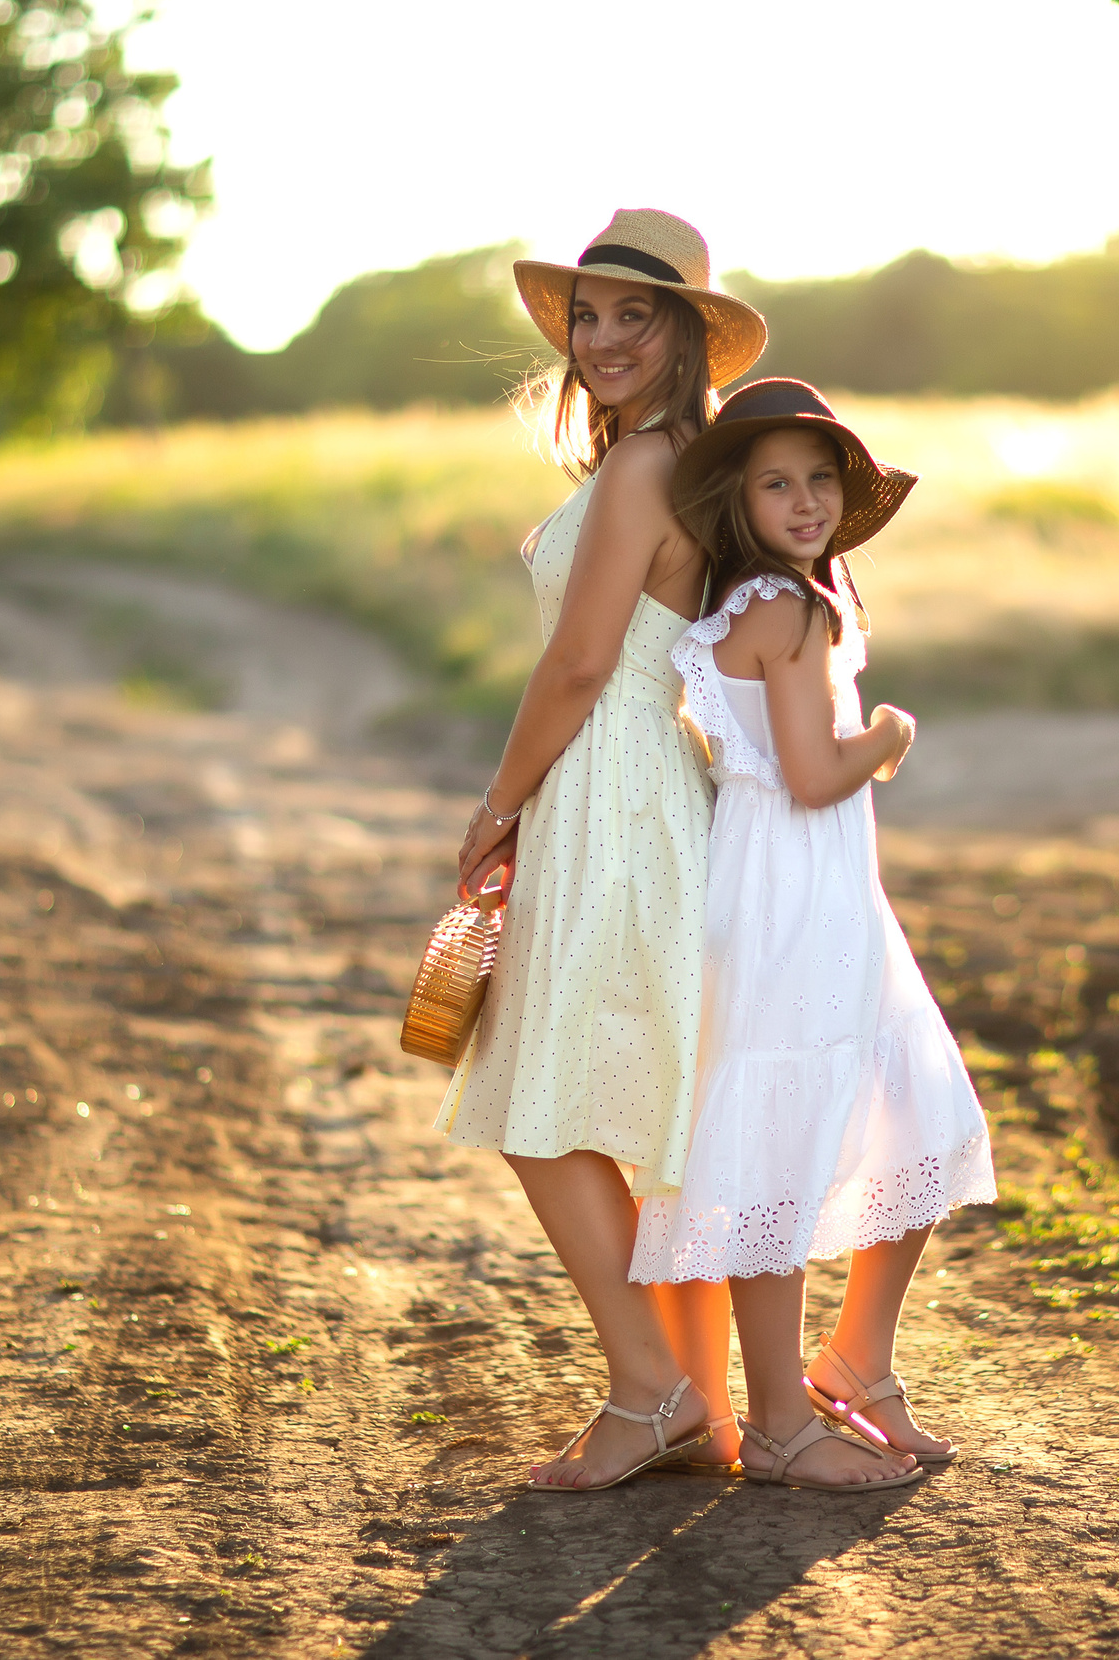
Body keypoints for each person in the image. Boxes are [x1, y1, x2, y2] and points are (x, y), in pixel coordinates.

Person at [438, 210, 764, 1491]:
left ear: (685, 334)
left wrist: (495, 804)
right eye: (589, 315)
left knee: (542, 1089)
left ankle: (654, 1391)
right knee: (605, 1083)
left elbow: (579, 665)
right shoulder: (662, 459)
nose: (605, 337)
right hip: (629, 778)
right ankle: (692, 1399)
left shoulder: (644, 470)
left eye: (637, 315)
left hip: (609, 776)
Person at [629, 379, 997, 1490]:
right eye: (775, 483)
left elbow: (738, 754)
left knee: (918, 1110)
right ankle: (791, 1417)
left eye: (819, 480)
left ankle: (857, 1366)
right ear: (737, 501)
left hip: (790, 889)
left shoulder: (746, 609)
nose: (802, 501)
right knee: (793, 1144)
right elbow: (808, 772)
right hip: (799, 896)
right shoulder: (792, 610)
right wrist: (886, 733)